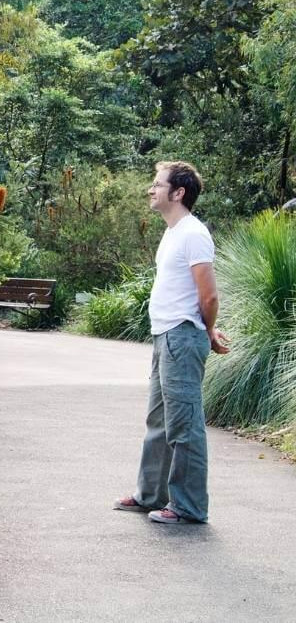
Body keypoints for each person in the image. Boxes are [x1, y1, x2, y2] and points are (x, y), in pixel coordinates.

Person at [114, 161, 230, 524]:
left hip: (181, 336)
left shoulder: (194, 233)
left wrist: (207, 329)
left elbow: (208, 296)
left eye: (157, 184)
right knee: (159, 421)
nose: (151, 189)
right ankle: (151, 494)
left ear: (178, 193)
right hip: (166, 336)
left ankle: (189, 507)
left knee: (184, 424)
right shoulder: (172, 232)